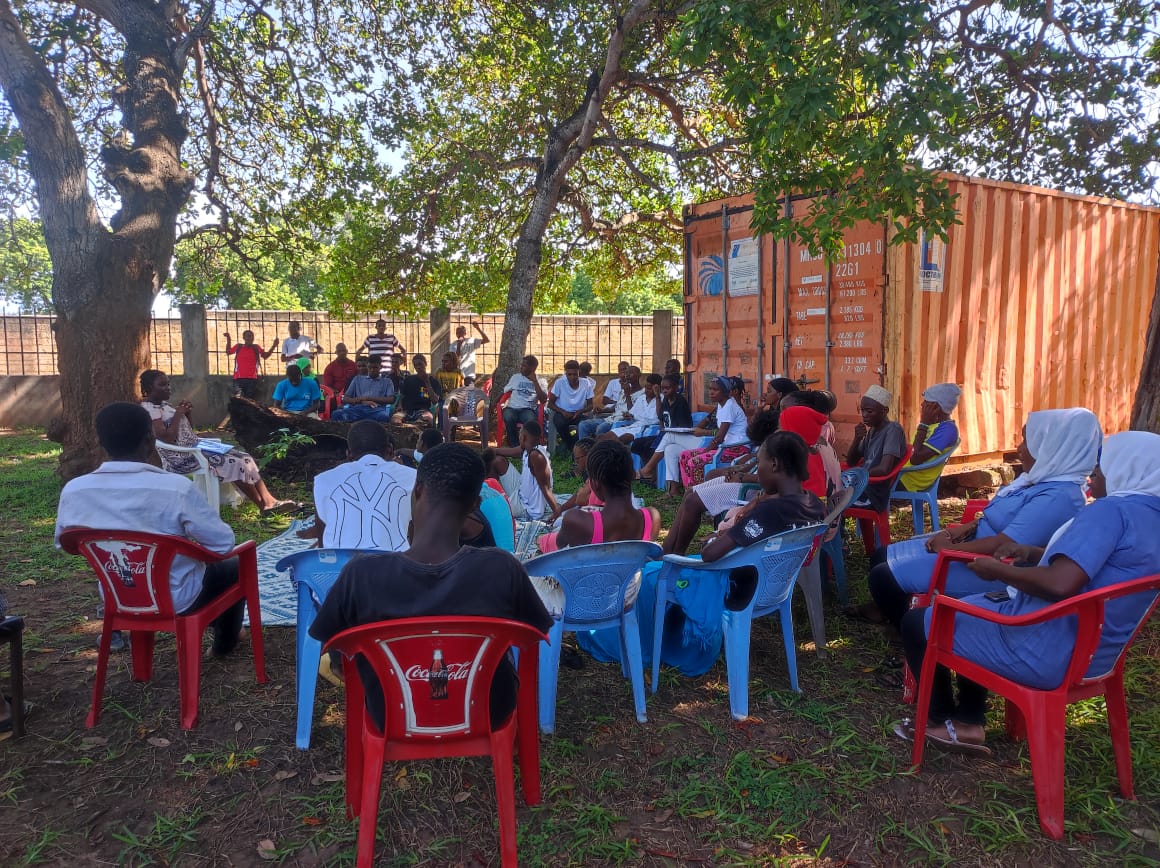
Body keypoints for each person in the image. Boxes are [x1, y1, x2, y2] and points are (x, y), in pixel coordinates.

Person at [894, 430, 1160, 756]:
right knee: (972, 606)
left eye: (1103, 467)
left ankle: (949, 723)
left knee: (919, 621)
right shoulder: (1149, 516)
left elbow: (1060, 584)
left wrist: (998, 570)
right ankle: (967, 718)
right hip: (1095, 655)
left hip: (1043, 648)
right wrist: (1032, 554)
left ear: (1127, 468)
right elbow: (1097, 566)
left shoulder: (1109, 512)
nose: (1094, 473)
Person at [308, 442, 553, 733]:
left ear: (418, 491)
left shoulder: (360, 574)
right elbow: (535, 633)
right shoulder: (502, 568)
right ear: (476, 504)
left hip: (389, 713)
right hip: (489, 709)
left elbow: (331, 644)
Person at [577, 430, 825, 673]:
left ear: (774, 464)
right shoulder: (813, 503)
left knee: (647, 576)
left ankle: (643, 646)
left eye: (758, 462)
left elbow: (709, 555)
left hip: (733, 584)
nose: (756, 471)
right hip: (773, 586)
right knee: (657, 570)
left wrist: (718, 538)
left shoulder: (769, 512)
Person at [866, 408, 1103, 630]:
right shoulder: (1037, 480)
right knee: (881, 555)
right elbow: (993, 517)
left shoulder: (1058, 496)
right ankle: (892, 610)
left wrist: (947, 549)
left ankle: (906, 631)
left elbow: (1003, 544)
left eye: (1027, 442)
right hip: (971, 547)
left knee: (883, 576)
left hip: (990, 569)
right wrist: (956, 532)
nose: (1019, 449)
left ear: (1050, 448)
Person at [55, 402, 246, 654]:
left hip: (118, 596)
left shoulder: (75, 490)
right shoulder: (175, 488)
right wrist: (183, 548)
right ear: (150, 437)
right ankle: (225, 643)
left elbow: (66, 543)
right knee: (237, 564)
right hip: (179, 598)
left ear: (101, 442)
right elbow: (222, 544)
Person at [140, 370, 294, 514]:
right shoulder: (149, 408)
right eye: (162, 385)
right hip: (180, 457)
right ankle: (263, 505)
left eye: (168, 383)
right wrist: (179, 413)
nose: (168, 388)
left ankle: (270, 500)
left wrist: (187, 414)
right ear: (148, 388)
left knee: (245, 457)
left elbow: (187, 430)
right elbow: (167, 437)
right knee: (234, 462)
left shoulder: (164, 405)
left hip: (194, 446)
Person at [660, 408, 781, 555]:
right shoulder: (770, 441)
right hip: (746, 480)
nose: (749, 421)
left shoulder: (783, 443)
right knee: (691, 492)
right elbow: (755, 461)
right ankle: (668, 547)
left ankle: (677, 554)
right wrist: (738, 470)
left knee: (693, 501)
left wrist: (742, 477)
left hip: (752, 489)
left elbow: (775, 479)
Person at [299, 421, 416, 552]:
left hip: (340, 567)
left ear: (349, 454)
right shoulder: (413, 477)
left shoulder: (324, 480)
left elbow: (323, 544)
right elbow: (417, 531)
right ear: (389, 450)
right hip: (394, 565)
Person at [538, 440, 661, 553]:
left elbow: (558, 545)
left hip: (587, 576)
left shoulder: (576, 519)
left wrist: (541, 541)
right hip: (628, 577)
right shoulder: (652, 517)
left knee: (541, 541)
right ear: (633, 474)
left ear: (595, 485)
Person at [636, 376, 749, 495]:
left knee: (685, 451)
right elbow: (709, 425)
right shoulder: (721, 405)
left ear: (726, 392)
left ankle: (698, 494)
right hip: (722, 446)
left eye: (715, 390)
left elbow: (719, 437)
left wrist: (705, 451)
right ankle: (676, 490)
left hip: (734, 449)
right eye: (710, 389)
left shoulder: (729, 406)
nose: (711, 392)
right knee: (672, 450)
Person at [846, 384, 907, 510]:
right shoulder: (872, 431)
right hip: (863, 486)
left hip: (874, 493)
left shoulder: (893, 430)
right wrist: (857, 439)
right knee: (830, 498)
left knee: (834, 504)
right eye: (862, 410)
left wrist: (857, 475)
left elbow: (884, 469)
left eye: (869, 411)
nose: (864, 415)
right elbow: (851, 461)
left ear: (885, 411)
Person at [896, 382, 961, 492]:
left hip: (910, 479)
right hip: (904, 473)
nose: (922, 405)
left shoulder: (947, 430)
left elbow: (915, 458)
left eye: (926, 402)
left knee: (866, 482)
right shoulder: (933, 425)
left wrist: (923, 424)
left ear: (936, 407)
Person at [491, 420, 556, 520]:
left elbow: (545, 488)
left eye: (520, 434)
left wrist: (557, 512)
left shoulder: (536, 456)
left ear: (523, 437)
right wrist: (492, 451)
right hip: (520, 492)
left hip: (526, 507)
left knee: (490, 509)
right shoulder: (527, 448)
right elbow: (513, 451)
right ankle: (490, 493)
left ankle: (491, 498)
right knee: (497, 460)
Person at [631, 373, 694, 463]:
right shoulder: (665, 399)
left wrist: (666, 432)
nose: (664, 391)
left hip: (679, 436)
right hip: (666, 434)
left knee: (651, 447)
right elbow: (660, 417)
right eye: (662, 388)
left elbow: (682, 427)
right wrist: (661, 430)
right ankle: (650, 471)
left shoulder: (680, 402)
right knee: (638, 443)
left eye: (667, 388)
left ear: (676, 387)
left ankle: (649, 471)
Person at [578, 366, 643, 441]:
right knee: (583, 425)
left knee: (601, 428)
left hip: (623, 421)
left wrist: (627, 395)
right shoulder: (623, 390)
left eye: (631, 373)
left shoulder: (642, 394)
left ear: (639, 375)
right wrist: (603, 410)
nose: (627, 375)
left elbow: (634, 412)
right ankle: (585, 449)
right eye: (626, 373)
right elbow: (616, 407)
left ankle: (600, 450)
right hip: (611, 418)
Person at [500, 355, 548, 447]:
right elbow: (505, 391)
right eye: (521, 365)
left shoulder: (541, 381)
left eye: (524, 365)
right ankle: (514, 446)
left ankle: (530, 445)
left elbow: (543, 400)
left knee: (531, 420)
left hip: (527, 409)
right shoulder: (515, 377)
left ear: (532, 368)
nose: (520, 367)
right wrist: (497, 403)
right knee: (508, 416)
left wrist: (535, 381)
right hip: (512, 408)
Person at [331, 354, 396, 423]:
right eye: (370, 367)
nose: (372, 370)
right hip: (358, 409)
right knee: (336, 414)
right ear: (367, 366)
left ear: (381, 367)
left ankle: (362, 424)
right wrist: (362, 400)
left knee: (384, 417)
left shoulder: (387, 381)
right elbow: (345, 398)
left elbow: (391, 399)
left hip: (376, 410)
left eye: (375, 367)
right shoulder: (357, 379)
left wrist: (369, 398)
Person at [600, 373, 661, 445]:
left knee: (620, 440)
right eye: (646, 387)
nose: (646, 390)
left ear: (657, 388)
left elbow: (660, 416)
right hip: (633, 426)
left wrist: (657, 396)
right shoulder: (641, 398)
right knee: (603, 437)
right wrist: (628, 416)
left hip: (646, 429)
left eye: (650, 388)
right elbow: (632, 413)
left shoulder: (662, 399)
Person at [547, 360, 595, 452]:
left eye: (575, 374)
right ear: (565, 373)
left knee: (586, 425)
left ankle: (573, 446)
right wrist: (563, 412)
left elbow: (590, 405)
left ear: (579, 372)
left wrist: (580, 411)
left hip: (578, 414)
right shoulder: (559, 383)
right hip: (562, 413)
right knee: (559, 422)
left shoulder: (586, 383)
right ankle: (572, 447)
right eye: (569, 374)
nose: (572, 377)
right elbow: (550, 404)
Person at [546, 438, 598, 521]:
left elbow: (579, 499)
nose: (575, 462)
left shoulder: (596, 475)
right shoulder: (588, 471)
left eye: (577, 458)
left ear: (589, 456)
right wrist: (561, 509)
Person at [392, 353, 442, 427]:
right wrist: (400, 406)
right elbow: (402, 395)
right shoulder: (409, 379)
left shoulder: (433, 381)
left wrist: (427, 383)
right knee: (395, 420)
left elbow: (435, 401)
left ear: (425, 364)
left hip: (423, 410)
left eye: (420, 364)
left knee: (427, 419)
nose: (418, 367)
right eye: (416, 365)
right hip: (406, 410)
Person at [223, 330, 276, 398]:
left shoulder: (256, 348)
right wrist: (228, 338)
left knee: (250, 401)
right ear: (244, 338)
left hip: (252, 379)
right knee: (238, 399)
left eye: (252, 336)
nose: (250, 338)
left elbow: (265, 356)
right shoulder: (238, 347)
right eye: (248, 336)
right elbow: (228, 352)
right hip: (238, 379)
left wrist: (273, 346)